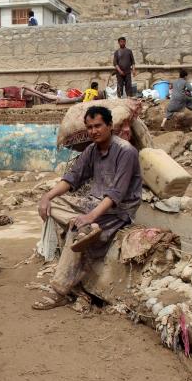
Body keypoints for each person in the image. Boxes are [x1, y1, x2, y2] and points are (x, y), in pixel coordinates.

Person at [33, 106, 142, 310]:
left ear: (110, 126)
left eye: (98, 126)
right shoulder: (92, 150)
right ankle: (84, 227)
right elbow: (72, 177)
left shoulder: (126, 152)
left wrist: (89, 217)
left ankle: (59, 292)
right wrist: (46, 196)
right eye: (89, 127)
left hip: (119, 209)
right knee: (53, 203)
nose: (93, 131)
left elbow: (116, 194)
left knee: (77, 230)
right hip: (94, 202)